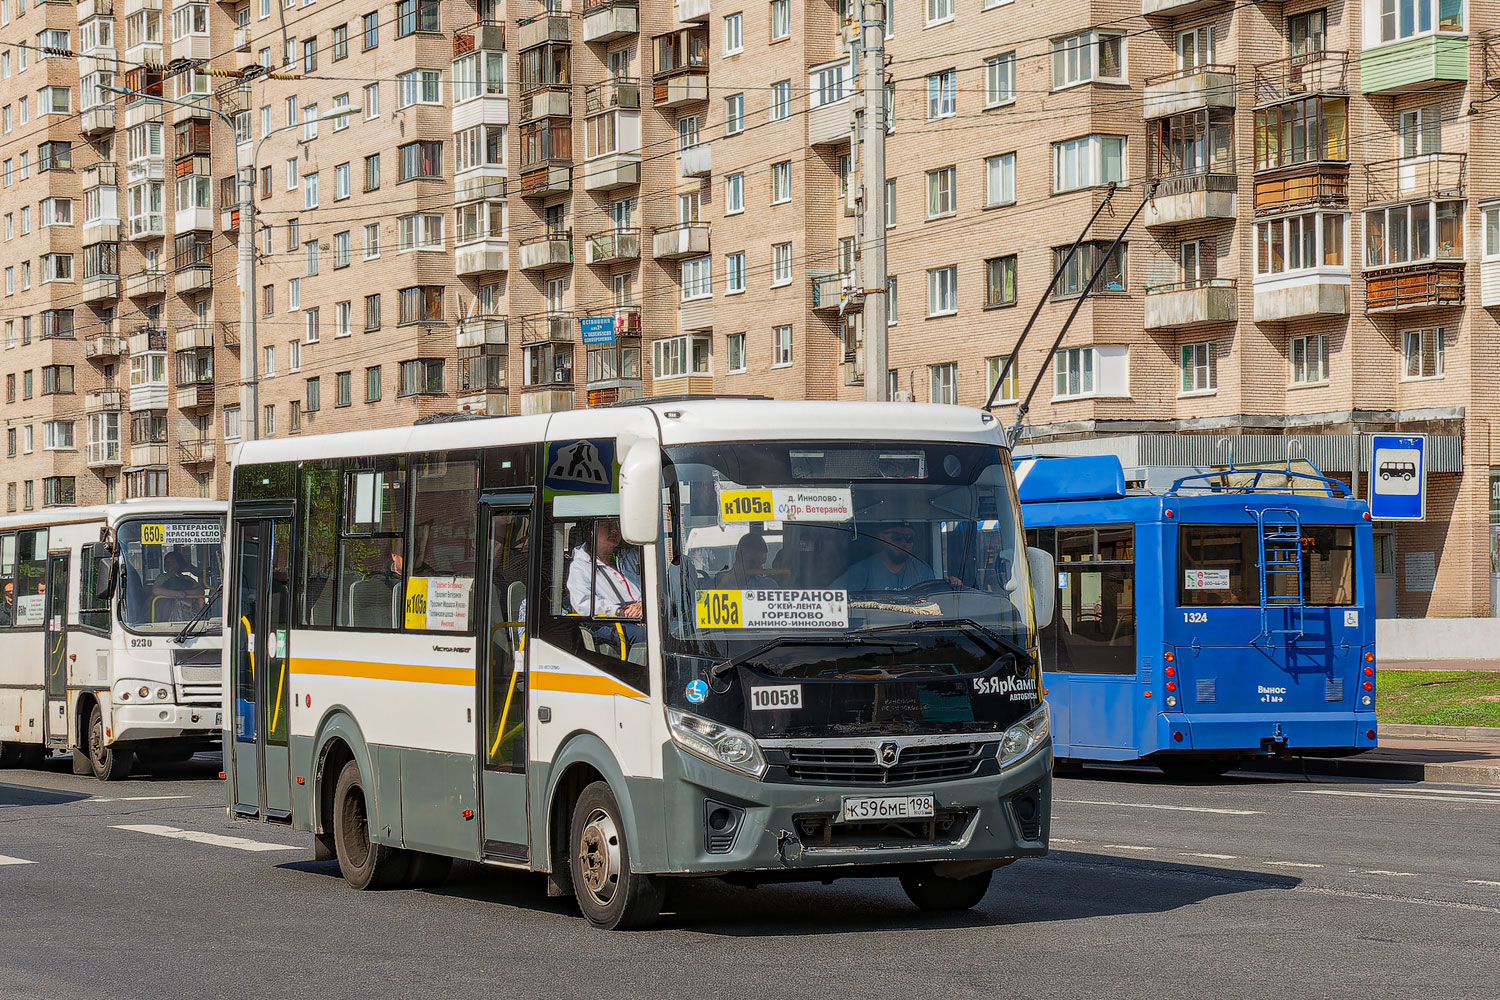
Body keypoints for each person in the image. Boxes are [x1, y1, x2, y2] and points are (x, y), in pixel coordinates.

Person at [837, 521, 946, 591]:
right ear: (882, 538)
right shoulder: (861, 571)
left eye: (909, 538)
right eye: (897, 537)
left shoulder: (923, 571)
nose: (903, 542)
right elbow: (832, 595)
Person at [567, 519, 643, 620]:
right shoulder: (580, 566)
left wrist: (643, 605)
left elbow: (654, 585)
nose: (614, 530)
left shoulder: (632, 556)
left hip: (642, 617)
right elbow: (583, 604)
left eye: (617, 525)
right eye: (607, 525)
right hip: (611, 623)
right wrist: (618, 611)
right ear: (591, 531)